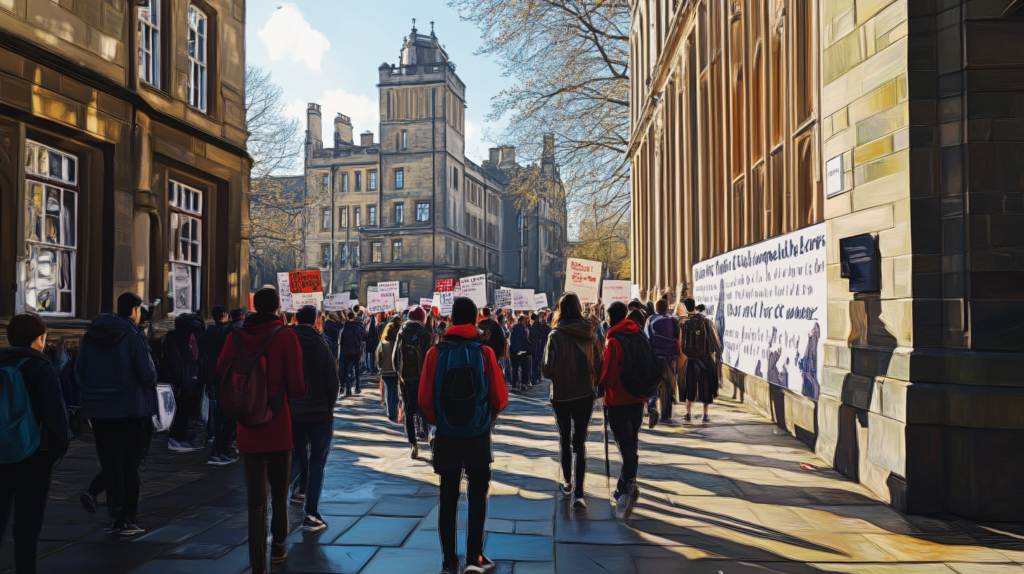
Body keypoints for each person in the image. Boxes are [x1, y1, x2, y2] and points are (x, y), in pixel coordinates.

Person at [217, 287, 306, 574]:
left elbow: (222, 372)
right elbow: (298, 386)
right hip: (278, 426)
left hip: (248, 427)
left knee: (255, 502)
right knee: (279, 495)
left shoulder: (235, 336)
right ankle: (279, 546)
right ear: (279, 306)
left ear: (254, 306)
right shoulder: (286, 336)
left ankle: (258, 564)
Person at [418, 297, 508, 574]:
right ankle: (474, 556)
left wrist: (440, 421)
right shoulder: (484, 352)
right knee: (478, 495)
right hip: (478, 433)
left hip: (447, 435)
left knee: (447, 496)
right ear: (473, 320)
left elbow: (423, 399)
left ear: (452, 319)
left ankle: (448, 560)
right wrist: (488, 416)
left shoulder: (435, 352)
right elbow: (500, 397)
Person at [75, 292, 158, 536]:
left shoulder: (90, 335)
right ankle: (127, 519)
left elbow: (79, 372)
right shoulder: (133, 335)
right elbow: (147, 374)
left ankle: (115, 516)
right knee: (130, 466)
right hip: (130, 409)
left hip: (100, 411)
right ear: (134, 310)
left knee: (111, 463)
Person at [0, 314, 70, 573]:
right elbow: (54, 413)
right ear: (39, 339)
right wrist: (59, 446)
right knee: (27, 526)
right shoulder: (40, 366)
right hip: (33, 454)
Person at [541, 294, 602, 509]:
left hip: (561, 394)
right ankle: (579, 493)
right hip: (584, 393)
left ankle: (567, 482)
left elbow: (547, 371)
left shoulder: (555, 335)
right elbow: (600, 364)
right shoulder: (590, 333)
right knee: (580, 443)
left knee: (564, 438)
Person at [287, 305, 340, 533]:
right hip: (319, 413)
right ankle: (311, 514)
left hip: (294, 411)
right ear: (317, 320)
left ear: (297, 319)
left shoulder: (287, 343)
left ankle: (278, 500)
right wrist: (329, 407)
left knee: (295, 457)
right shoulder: (322, 345)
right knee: (317, 462)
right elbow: (332, 382)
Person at [599, 302, 648, 519]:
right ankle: (624, 486)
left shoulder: (614, 341)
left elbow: (608, 376)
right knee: (632, 443)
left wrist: (599, 385)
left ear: (611, 317)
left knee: (625, 446)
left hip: (618, 400)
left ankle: (626, 486)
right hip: (637, 398)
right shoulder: (638, 335)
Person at [165, 312, 207, 452]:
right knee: (185, 409)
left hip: (174, 377)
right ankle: (178, 438)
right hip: (188, 377)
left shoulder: (170, 336)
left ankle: (175, 437)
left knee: (178, 409)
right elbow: (193, 355)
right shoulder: (190, 336)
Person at [393, 306, 432, 457]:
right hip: (423, 378)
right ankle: (429, 437)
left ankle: (413, 445)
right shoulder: (426, 334)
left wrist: (400, 374)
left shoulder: (402, 333)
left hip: (406, 379)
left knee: (409, 412)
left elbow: (395, 357)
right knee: (424, 409)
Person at [202, 305, 238, 465]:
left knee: (218, 410)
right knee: (228, 415)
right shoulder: (229, 332)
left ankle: (218, 443)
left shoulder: (208, 332)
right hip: (225, 373)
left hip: (213, 372)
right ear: (224, 315)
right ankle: (219, 450)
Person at [678, 297, 722, 423]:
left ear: (686, 308)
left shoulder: (685, 324)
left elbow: (683, 346)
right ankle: (705, 414)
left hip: (692, 360)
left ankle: (688, 412)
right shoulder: (707, 322)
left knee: (690, 385)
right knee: (706, 387)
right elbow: (716, 344)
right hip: (706, 359)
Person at [644, 299, 682, 428]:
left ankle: (652, 407)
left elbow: (647, 337)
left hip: (655, 355)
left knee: (654, 382)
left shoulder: (651, 320)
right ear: (667, 308)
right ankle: (666, 415)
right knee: (668, 384)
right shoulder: (673, 320)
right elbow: (677, 337)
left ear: (656, 307)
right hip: (670, 356)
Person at [376, 315, 403, 424]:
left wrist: (380, 367)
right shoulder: (400, 342)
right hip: (397, 371)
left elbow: (378, 356)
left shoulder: (383, 343)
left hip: (386, 371)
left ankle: (391, 413)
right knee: (396, 392)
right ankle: (396, 413)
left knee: (389, 392)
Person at [339, 310, 366, 396]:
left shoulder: (344, 328)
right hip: (356, 351)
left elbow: (341, 341)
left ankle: (348, 388)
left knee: (346, 370)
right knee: (357, 370)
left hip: (347, 352)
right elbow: (361, 338)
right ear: (354, 317)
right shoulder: (357, 327)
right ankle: (357, 388)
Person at [508, 315, 532, 392]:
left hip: (514, 350)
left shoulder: (513, 328)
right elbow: (525, 340)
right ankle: (523, 384)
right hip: (523, 351)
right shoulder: (523, 329)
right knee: (524, 368)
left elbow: (510, 339)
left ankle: (514, 385)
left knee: (514, 369)